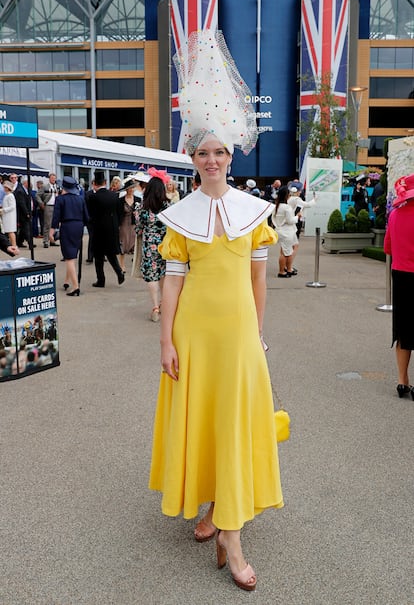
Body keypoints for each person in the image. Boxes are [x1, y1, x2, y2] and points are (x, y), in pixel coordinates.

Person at [148, 29, 283, 592]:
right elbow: (173, 287)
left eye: (219, 151)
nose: (211, 159)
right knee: (205, 419)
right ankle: (217, 517)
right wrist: (167, 341)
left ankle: (229, 529)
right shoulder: (180, 218)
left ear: (231, 155)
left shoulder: (254, 212)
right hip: (196, 336)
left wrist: (256, 333)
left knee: (232, 420)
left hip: (237, 337)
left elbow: (259, 281)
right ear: (192, 156)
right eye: (202, 151)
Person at [383, 173, 414, 401]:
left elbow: (387, 248)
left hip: (401, 275)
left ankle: (402, 382)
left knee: (404, 330)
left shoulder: (394, 214)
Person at [135, 171, 169, 321]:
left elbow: (138, 228)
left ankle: (155, 307)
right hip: (166, 246)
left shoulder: (143, 207)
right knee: (164, 275)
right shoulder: (169, 206)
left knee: (152, 276)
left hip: (149, 246)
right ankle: (164, 304)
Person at [50, 176, 89, 297]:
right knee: (72, 256)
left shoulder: (60, 199)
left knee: (69, 257)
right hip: (78, 227)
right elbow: (86, 216)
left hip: (67, 226)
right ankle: (67, 281)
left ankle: (75, 287)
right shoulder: (80, 199)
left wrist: (51, 231)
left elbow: (56, 216)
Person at [86, 170, 125, 288]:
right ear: (105, 182)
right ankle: (119, 273)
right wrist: (116, 224)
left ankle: (101, 280)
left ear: (94, 183)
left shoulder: (92, 197)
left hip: (98, 229)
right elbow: (120, 213)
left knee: (98, 256)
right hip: (112, 229)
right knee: (111, 254)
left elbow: (90, 214)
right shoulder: (114, 195)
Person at [272, 186, 301, 277]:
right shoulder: (286, 207)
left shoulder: (277, 206)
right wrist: (298, 217)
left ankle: (288, 269)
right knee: (285, 253)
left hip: (282, 231)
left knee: (287, 250)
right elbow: (290, 220)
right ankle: (282, 271)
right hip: (287, 232)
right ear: (286, 196)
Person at [118, 177, 139, 274]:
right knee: (123, 244)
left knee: (134, 244)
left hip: (133, 224)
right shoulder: (121, 200)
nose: (132, 190)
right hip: (123, 224)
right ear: (126, 189)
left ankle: (136, 265)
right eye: (130, 188)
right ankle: (122, 265)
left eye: (133, 188)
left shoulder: (138, 200)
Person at [36, 173, 60, 248]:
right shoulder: (45, 186)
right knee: (47, 224)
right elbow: (37, 195)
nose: (53, 180)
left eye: (54, 178)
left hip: (56, 206)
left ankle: (52, 240)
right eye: (52, 178)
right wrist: (41, 203)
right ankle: (45, 241)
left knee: (54, 224)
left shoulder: (57, 186)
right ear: (49, 179)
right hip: (48, 206)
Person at [14, 176, 34, 249]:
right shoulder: (20, 190)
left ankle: (19, 242)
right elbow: (22, 203)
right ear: (25, 183)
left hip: (26, 212)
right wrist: (27, 213)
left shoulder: (26, 189)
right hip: (22, 214)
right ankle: (30, 244)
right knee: (26, 228)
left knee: (23, 229)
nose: (31, 184)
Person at [0, 180, 17, 247]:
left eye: (4, 187)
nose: (3, 189)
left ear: (7, 188)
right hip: (7, 216)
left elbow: (12, 206)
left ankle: (14, 245)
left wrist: (3, 210)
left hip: (10, 217)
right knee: (9, 232)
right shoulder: (7, 195)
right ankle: (12, 245)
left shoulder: (10, 196)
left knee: (11, 232)